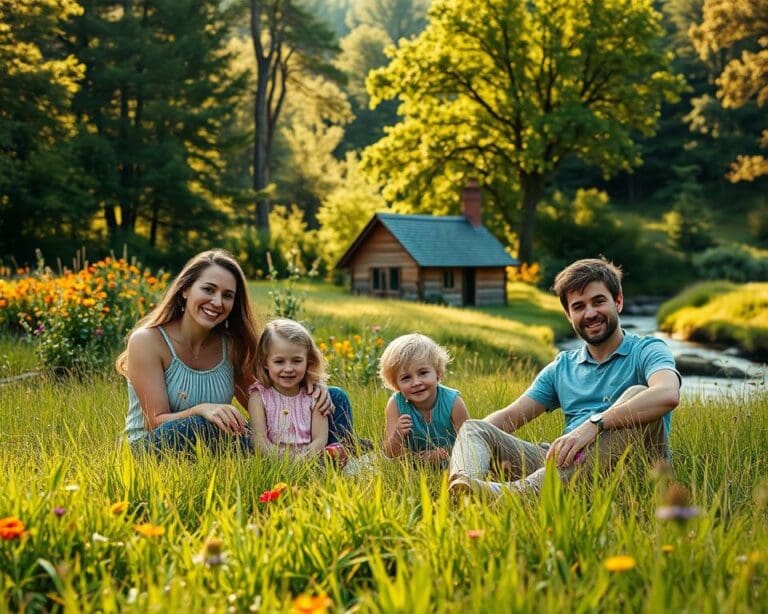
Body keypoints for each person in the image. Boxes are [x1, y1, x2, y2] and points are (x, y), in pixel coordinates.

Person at [448, 257, 681, 497]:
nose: (590, 313)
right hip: (565, 462)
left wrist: (594, 425)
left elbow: (667, 394)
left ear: (618, 301)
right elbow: (508, 417)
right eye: (579, 306)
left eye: (598, 301)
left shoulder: (648, 349)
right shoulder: (563, 367)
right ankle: (463, 489)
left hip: (631, 470)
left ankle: (514, 495)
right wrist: (462, 447)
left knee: (638, 394)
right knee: (475, 428)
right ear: (568, 315)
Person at [116, 249, 354, 453]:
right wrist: (201, 409)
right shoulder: (147, 341)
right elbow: (154, 422)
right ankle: (298, 455)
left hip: (218, 439)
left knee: (335, 397)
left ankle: (334, 461)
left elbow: (268, 395)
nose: (218, 302)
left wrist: (311, 388)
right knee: (200, 425)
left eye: (227, 295)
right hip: (157, 443)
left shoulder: (231, 345)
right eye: (208, 290)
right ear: (186, 290)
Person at [380, 333, 470, 465]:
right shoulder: (395, 404)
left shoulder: (453, 402)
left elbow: (470, 444)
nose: (416, 382)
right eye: (406, 378)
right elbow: (390, 454)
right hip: (413, 466)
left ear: (438, 373)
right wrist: (397, 435)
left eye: (423, 373)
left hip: (453, 463)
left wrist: (443, 453)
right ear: (396, 385)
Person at [248, 319, 330, 460]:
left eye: (297, 361)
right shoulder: (259, 396)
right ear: (265, 363)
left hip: (309, 460)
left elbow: (320, 438)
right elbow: (259, 441)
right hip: (272, 461)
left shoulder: (313, 395)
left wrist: (302, 460)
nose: (288, 369)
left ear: (308, 361)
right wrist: (286, 462)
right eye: (279, 362)